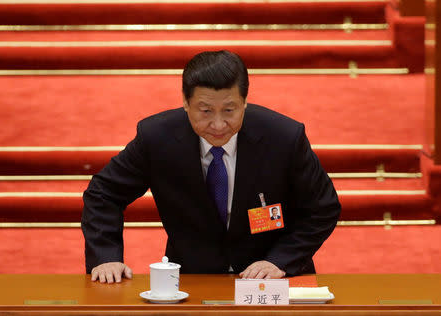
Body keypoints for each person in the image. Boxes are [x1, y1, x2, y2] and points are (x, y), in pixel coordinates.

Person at [81, 50, 341, 284]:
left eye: (230, 110)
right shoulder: (156, 138)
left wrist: (280, 260)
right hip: (194, 278)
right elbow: (103, 193)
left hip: (273, 278)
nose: (218, 125)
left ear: (244, 102)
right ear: (185, 102)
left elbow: (323, 207)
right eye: (205, 111)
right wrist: (105, 256)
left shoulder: (284, 138)